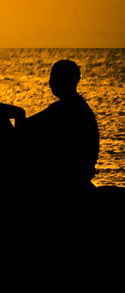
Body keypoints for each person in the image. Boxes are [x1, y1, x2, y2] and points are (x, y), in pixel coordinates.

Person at [19, 60, 99, 194]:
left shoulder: (65, 109)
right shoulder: (76, 106)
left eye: (56, 78)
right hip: (78, 173)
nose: (51, 82)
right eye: (52, 77)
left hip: (68, 176)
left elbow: (25, 127)